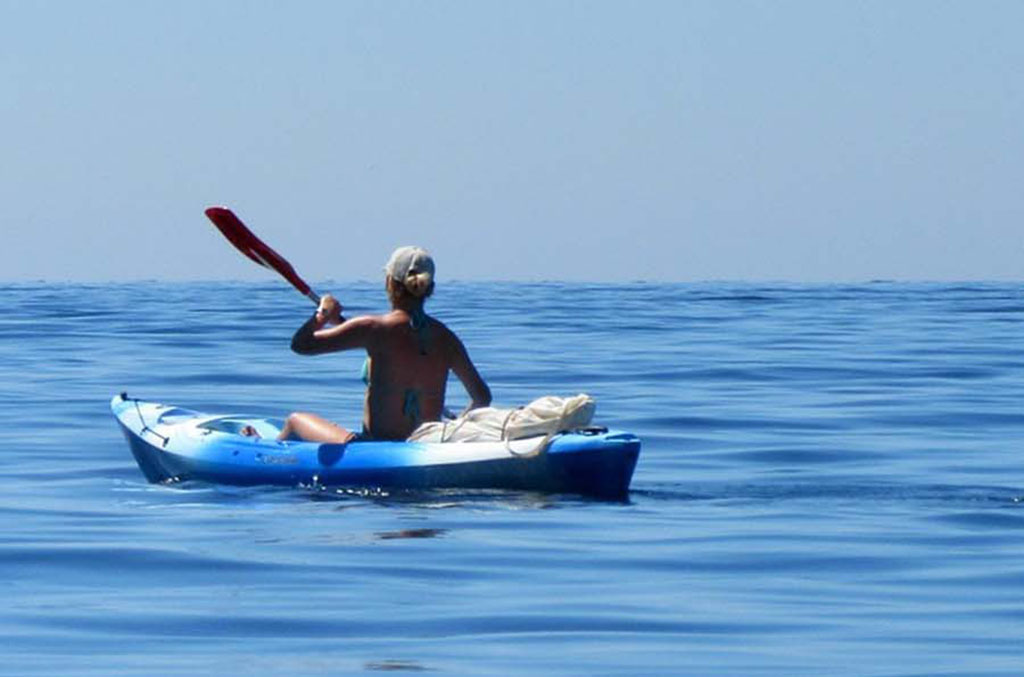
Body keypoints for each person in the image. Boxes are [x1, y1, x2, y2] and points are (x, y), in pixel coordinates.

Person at [275, 246, 491, 443]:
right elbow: (482, 397)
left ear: (390, 283)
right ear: (430, 288)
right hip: (426, 444)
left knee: (295, 420)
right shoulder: (447, 338)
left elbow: (301, 344)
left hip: (373, 446)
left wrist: (322, 314)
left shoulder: (373, 329)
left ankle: (263, 448)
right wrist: (452, 430)